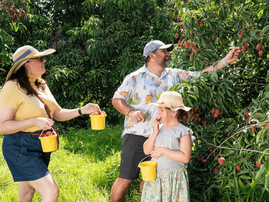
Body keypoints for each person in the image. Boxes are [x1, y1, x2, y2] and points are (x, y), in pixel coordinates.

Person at [110, 40, 241, 202]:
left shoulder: (174, 75)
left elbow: (201, 75)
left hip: (163, 138)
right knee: (126, 178)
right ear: (152, 55)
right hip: (137, 134)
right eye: (164, 51)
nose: (168, 53)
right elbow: (117, 100)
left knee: (152, 179)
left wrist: (224, 61)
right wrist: (130, 112)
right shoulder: (134, 77)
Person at [0, 45, 102, 202]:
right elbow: (2, 126)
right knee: (51, 192)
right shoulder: (12, 87)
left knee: (27, 191)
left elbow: (57, 113)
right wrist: (34, 121)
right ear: (27, 64)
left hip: (40, 144)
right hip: (20, 146)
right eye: (40, 58)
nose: (44, 60)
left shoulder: (41, 84)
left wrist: (83, 110)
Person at [141, 91, 192, 201]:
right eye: (158, 109)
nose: (158, 113)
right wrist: (154, 132)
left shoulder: (183, 131)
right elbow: (146, 150)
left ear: (174, 112)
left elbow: (185, 157)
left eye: (162, 110)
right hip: (156, 177)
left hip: (174, 178)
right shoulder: (158, 129)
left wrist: (163, 150)